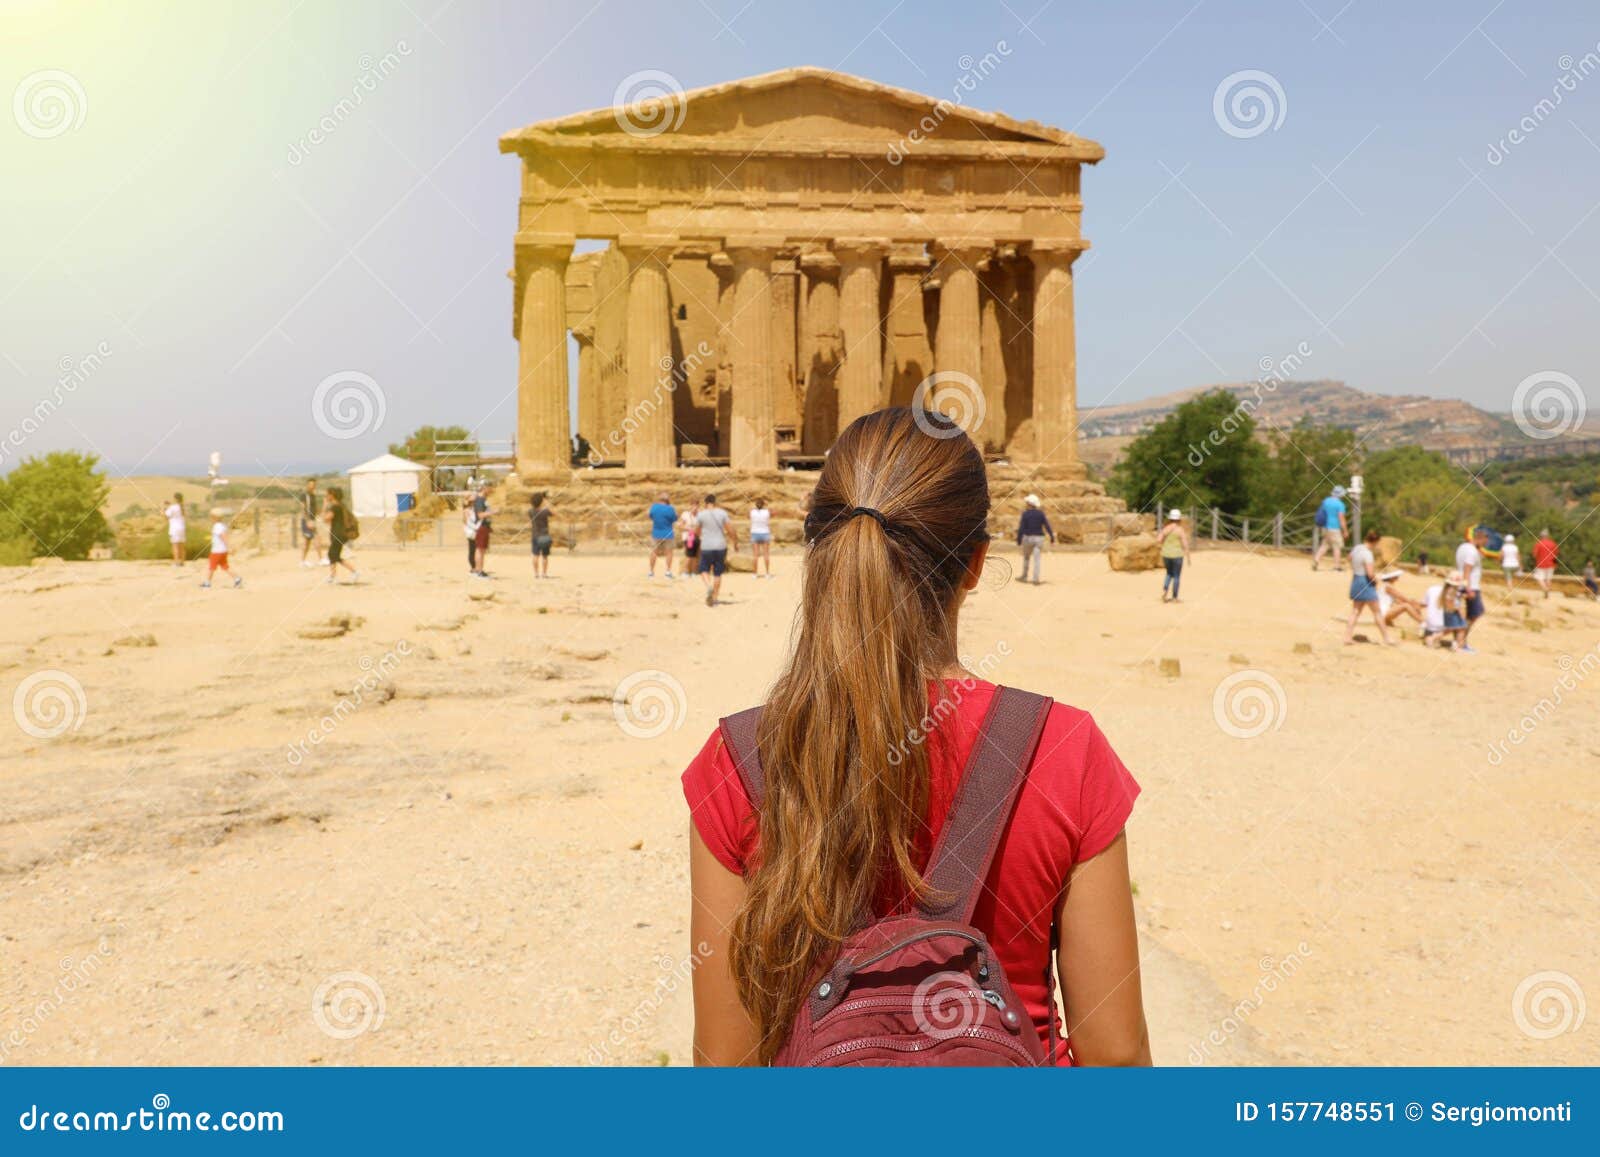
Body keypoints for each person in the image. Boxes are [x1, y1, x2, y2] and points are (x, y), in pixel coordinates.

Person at [682, 408, 1147, 1067]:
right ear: (977, 562)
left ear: (816, 546)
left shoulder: (739, 762)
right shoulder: (1066, 750)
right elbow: (1118, 1061)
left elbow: (725, 1068)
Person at [1344, 529, 1394, 645]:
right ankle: (1386, 638)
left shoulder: (1357, 548)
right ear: (1376, 541)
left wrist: (1356, 567)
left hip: (1356, 579)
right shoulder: (1367, 554)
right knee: (1377, 612)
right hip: (1365, 583)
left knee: (1355, 611)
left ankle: (1347, 637)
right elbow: (1370, 573)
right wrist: (1376, 581)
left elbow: (1348, 558)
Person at [695, 494, 736, 607]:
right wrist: (735, 542)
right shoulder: (722, 513)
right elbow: (730, 529)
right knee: (718, 573)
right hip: (720, 546)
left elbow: (696, 531)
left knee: (703, 569)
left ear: (705, 503)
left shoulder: (701, 515)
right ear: (715, 502)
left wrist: (700, 537)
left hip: (706, 546)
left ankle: (708, 586)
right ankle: (715, 598)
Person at [1455, 527, 1487, 653]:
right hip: (1471, 586)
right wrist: (1468, 589)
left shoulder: (1463, 547)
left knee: (1468, 614)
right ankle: (1461, 642)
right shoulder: (1472, 552)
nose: (1485, 545)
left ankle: (1460, 640)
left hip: (1461, 583)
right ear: (1480, 538)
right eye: (1485, 541)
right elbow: (1467, 570)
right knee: (1474, 614)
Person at [322, 486, 360, 585]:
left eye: (327, 494)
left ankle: (353, 572)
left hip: (337, 534)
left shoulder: (335, 507)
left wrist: (324, 506)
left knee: (333, 555)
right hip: (340, 533)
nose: (326, 496)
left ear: (332, 495)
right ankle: (333, 576)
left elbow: (326, 518)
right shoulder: (341, 505)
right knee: (333, 555)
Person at [1015, 493, 1055, 585]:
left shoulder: (1025, 514)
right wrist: (1052, 537)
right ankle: (1035, 579)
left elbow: (1022, 528)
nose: (1026, 504)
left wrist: (1019, 539)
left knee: (1026, 558)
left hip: (1028, 538)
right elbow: (1047, 526)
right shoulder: (1041, 514)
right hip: (1039, 539)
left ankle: (1024, 576)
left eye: (1027, 502)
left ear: (1029, 504)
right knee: (1037, 560)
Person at [201, 509, 242, 588]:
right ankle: (237, 578)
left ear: (214, 517)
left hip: (217, 551)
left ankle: (207, 582)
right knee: (225, 566)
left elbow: (223, 537)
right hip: (222, 550)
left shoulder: (217, 526)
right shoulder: (222, 525)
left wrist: (229, 547)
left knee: (212, 566)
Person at [1312, 485, 1349, 572]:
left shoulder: (1326, 501)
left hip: (1325, 527)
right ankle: (1337, 566)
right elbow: (1341, 518)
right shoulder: (1340, 504)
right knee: (1337, 546)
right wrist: (1345, 531)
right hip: (1334, 527)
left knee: (1325, 545)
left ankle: (1316, 561)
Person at [1157, 508, 1190, 603]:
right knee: (1176, 576)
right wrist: (1188, 556)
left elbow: (1159, 540)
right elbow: (1185, 544)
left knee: (1168, 573)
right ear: (1179, 519)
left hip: (1166, 554)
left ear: (1170, 518)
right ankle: (1175, 597)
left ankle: (1165, 590)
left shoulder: (1166, 528)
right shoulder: (1180, 530)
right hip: (1177, 555)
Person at [647, 492, 677, 579]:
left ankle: (651, 572)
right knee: (669, 553)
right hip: (668, 533)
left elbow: (650, 516)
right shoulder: (670, 509)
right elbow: (674, 518)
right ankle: (668, 572)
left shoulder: (654, 507)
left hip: (656, 533)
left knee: (653, 553)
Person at [530, 492, 555, 579]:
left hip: (535, 536)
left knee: (535, 555)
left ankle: (536, 574)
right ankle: (544, 573)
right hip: (544, 536)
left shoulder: (531, 511)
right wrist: (546, 502)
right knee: (545, 556)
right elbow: (554, 513)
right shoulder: (545, 511)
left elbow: (533, 508)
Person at [471, 483, 493, 577]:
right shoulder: (480, 500)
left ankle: (478, 569)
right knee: (480, 550)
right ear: (484, 488)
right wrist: (492, 512)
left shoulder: (482, 500)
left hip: (484, 527)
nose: (491, 491)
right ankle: (479, 571)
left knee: (480, 549)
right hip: (481, 527)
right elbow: (480, 515)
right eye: (489, 488)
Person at [299, 479, 322, 568]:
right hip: (307, 520)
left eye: (314, 485)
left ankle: (305, 560)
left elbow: (314, 508)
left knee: (312, 539)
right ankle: (304, 560)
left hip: (312, 520)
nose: (312, 486)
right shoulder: (304, 495)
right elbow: (303, 508)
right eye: (311, 485)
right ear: (307, 485)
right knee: (310, 540)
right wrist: (308, 520)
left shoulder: (313, 495)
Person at [749, 497, 773, 579]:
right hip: (765, 533)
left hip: (755, 533)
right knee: (766, 555)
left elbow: (750, 512)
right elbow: (771, 511)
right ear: (763, 505)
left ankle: (755, 574)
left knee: (755, 555)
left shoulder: (752, 512)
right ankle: (767, 573)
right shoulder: (767, 512)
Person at [1532, 529, 1558, 599]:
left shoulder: (1538, 544)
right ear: (1548, 536)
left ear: (1541, 536)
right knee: (1548, 579)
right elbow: (1556, 555)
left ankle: (1545, 589)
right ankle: (1547, 593)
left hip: (1540, 564)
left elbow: (1534, 555)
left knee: (1539, 578)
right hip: (1551, 564)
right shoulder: (1553, 543)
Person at [164, 492, 187, 566]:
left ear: (175, 498)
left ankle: (176, 562)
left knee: (175, 546)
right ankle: (182, 562)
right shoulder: (182, 507)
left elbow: (166, 516)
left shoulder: (172, 507)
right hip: (182, 528)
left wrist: (164, 508)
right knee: (182, 546)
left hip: (174, 528)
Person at [680, 501, 701, 570]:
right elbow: (681, 526)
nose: (695, 508)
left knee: (695, 555)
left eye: (696, 506)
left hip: (697, 537)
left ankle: (693, 571)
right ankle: (686, 571)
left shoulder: (700, 515)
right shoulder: (685, 514)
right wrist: (690, 529)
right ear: (691, 506)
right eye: (693, 505)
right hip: (688, 537)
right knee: (689, 555)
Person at [462, 499, 479, 574]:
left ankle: (476, 567)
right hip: (471, 532)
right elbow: (466, 522)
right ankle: (473, 567)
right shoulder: (466, 511)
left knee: (475, 550)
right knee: (472, 550)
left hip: (474, 531)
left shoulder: (473, 510)